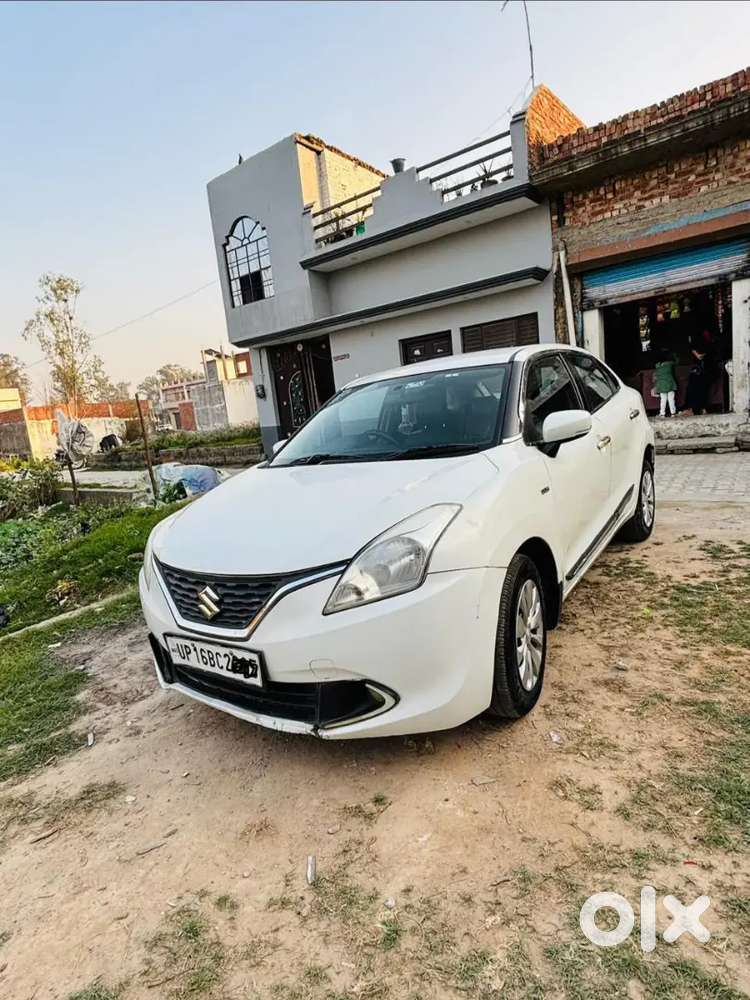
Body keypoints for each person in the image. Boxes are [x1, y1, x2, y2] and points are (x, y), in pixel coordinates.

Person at [654, 348, 678, 418]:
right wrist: (673, 353)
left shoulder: (657, 365)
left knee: (663, 400)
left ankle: (662, 414)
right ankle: (673, 413)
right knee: (671, 399)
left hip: (661, 385)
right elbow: (677, 361)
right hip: (670, 384)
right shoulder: (670, 363)